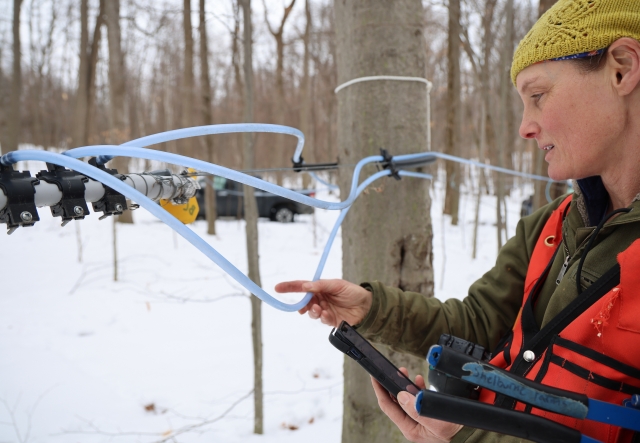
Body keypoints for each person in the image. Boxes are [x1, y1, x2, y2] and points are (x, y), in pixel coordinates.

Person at [277, 1, 640, 442]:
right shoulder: (553, 225)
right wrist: (374, 309)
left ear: (621, 68)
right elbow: (480, 325)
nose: (525, 127)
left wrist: (465, 436)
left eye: (538, 96)